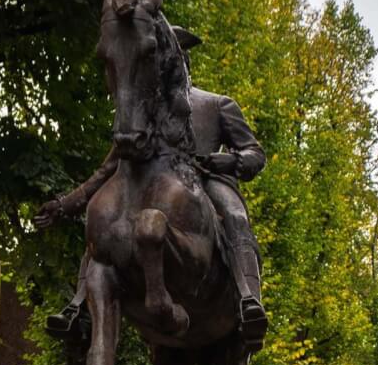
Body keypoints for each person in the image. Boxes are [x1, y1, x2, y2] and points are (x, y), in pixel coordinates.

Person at [40, 30, 269, 347]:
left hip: (205, 180)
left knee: (234, 214)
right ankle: (80, 308)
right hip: (157, 185)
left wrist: (228, 163)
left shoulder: (217, 104)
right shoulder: (145, 116)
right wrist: (66, 205)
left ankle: (249, 301)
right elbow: (111, 165)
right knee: (108, 219)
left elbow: (254, 154)